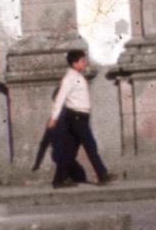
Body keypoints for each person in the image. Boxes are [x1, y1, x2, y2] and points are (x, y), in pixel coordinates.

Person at [40, 48, 109, 187]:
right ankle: (102, 175)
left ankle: (59, 180)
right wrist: (53, 118)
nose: (85, 63)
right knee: (90, 146)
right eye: (82, 61)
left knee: (70, 151)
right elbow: (60, 98)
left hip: (81, 116)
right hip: (76, 116)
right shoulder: (69, 79)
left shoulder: (77, 77)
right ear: (74, 63)